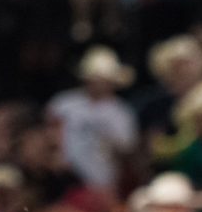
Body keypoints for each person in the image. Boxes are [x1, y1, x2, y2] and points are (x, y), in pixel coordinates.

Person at [46, 45, 139, 193]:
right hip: (65, 178)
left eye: (103, 79)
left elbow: (126, 149)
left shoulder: (121, 112)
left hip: (101, 182)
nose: (99, 84)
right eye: (95, 78)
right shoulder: (64, 103)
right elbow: (49, 131)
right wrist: (55, 154)